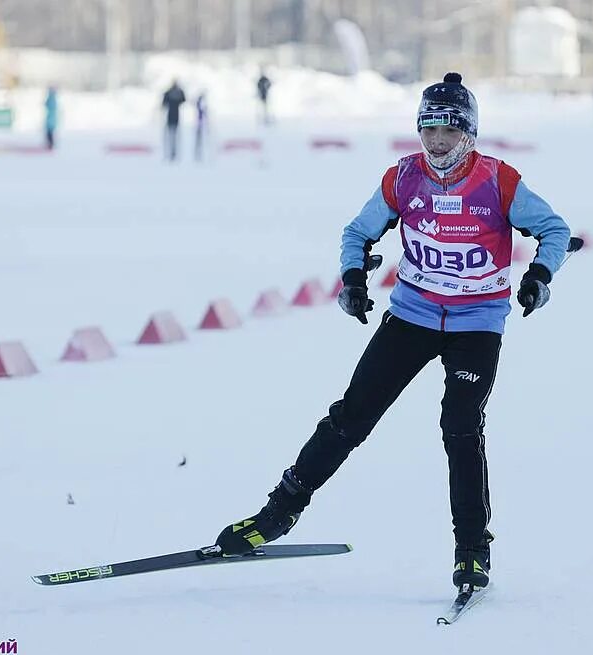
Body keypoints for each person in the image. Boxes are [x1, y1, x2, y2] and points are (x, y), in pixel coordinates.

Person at [214, 73, 572, 590]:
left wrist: (540, 276)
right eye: (429, 128)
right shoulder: (403, 179)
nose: (438, 141)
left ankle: (472, 548)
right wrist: (354, 278)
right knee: (351, 416)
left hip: (477, 325)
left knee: (460, 428)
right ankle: (277, 515)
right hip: (412, 317)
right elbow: (357, 232)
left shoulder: (499, 181)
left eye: (450, 129)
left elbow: (555, 229)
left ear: (469, 133)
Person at [162, 80, 186, 162]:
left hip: (173, 118)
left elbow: (164, 103)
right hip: (174, 117)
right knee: (172, 137)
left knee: (172, 137)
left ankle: (173, 153)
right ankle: (172, 153)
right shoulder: (174, 93)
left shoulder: (169, 93)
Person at [194, 91, 208, 162]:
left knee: (200, 140)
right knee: (199, 139)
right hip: (200, 123)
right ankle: (198, 155)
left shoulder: (200, 104)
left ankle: (200, 154)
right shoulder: (199, 104)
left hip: (201, 123)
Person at [44, 86, 58, 150]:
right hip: (51, 119)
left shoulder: (51, 98)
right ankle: (50, 144)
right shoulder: (52, 97)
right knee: (49, 133)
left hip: (51, 119)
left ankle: (50, 145)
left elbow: (48, 105)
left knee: (50, 133)